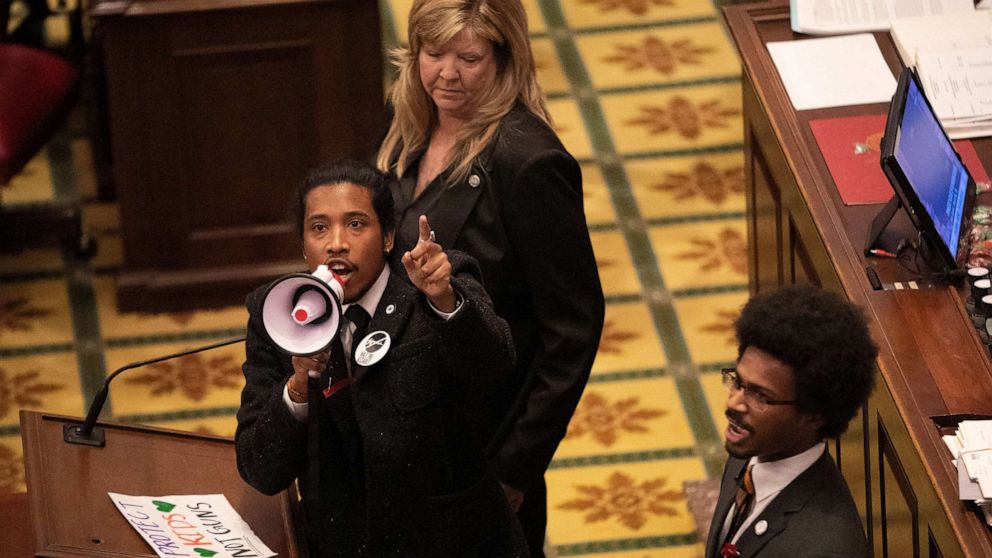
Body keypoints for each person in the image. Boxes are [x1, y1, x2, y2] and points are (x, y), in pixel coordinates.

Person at [376, 2, 605, 554]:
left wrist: (513, 470)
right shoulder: (414, 119)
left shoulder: (529, 163)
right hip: (407, 425)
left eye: (469, 58)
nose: (446, 74)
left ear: (505, 58)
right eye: (433, 54)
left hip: (480, 443)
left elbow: (572, 333)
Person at [235, 160, 529, 557]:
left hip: (453, 541)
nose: (336, 243)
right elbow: (260, 468)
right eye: (319, 228)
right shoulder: (276, 315)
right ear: (304, 245)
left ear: (389, 236)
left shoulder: (434, 283)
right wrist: (299, 385)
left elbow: (494, 363)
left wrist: (443, 300)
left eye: (356, 224)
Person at [704, 285, 878, 558]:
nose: (734, 403)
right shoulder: (750, 449)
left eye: (760, 396)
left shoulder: (827, 550)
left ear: (813, 414)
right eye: (738, 382)